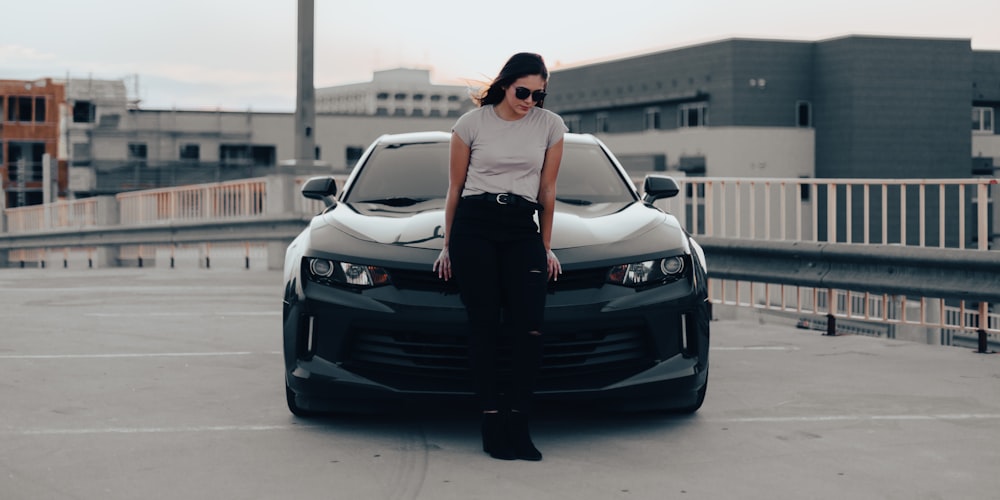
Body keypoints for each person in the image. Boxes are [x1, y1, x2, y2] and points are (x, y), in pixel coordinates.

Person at [433, 52, 566, 461]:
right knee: (485, 325)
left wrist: (544, 246)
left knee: (529, 329)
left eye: (538, 94)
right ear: (506, 84)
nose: (529, 100)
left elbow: (546, 191)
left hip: (519, 225)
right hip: (474, 225)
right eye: (522, 91)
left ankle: (519, 422)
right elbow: (455, 188)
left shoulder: (550, 126)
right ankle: (492, 420)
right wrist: (447, 245)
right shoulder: (471, 123)